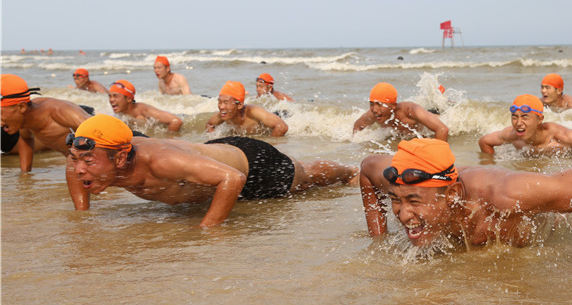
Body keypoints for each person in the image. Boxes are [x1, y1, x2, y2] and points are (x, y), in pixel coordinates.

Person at [359, 138, 572, 269]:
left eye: (413, 201)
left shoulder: (507, 196)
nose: (403, 214)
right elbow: (366, 168)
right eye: (395, 200)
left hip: (555, 219)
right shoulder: (400, 180)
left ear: (453, 195)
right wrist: (378, 237)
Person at [66, 115, 358, 227]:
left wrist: (209, 229)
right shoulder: (91, 161)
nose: (79, 169)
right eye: (76, 159)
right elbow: (72, 167)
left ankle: (348, 171)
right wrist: (82, 214)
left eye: (88, 161)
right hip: (210, 156)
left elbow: (232, 177)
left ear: (120, 159)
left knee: (303, 177)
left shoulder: (160, 161)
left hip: (252, 164)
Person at [1, 74, 91, 172]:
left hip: (88, 118)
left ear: (22, 107)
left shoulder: (58, 112)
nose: (0, 123)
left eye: (1, 114)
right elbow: (26, 139)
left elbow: (98, 131)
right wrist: (25, 174)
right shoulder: (24, 120)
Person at [479, 94, 572, 158]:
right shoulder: (512, 135)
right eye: (514, 117)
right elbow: (484, 142)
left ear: (539, 120)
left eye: (525, 117)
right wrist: (491, 165)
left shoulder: (561, 137)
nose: (518, 123)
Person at [353, 82, 449, 141]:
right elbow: (357, 127)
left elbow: (442, 129)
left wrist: (438, 159)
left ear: (393, 106)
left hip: (433, 115)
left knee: (440, 111)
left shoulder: (410, 110)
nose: (374, 109)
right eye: (372, 104)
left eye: (380, 104)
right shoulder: (374, 114)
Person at [206, 81, 288, 136]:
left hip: (280, 115)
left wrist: (269, 147)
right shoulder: (225, 114)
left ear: (239, 105)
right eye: (220, 102)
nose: (221, 107)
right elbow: (209, 124)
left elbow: (282, 127)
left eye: (226, 102)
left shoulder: (253, 112)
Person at [108, 80, 183, 132]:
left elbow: (176, 121)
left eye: (115, 96)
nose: (111, 100)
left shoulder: (143, 110)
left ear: (129, 99)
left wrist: (168, 141)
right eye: (110, 96)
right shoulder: (120, 112)